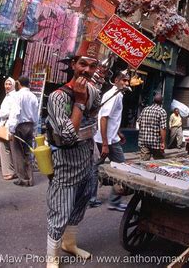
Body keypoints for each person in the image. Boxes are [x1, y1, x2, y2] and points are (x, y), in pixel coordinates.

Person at [45, 47, 101, 266]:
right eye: (83, 64)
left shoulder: (93, 90)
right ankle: (52, 259)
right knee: (60, 210)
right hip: (66, 165)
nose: (87, 70)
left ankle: (69, 244)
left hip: (87, 160)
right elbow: (68, 136)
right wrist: (79, 101)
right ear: (73, 65)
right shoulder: (58, 97)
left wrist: (88, 99)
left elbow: (95, 111)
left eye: (92, 66)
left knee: (80, 205)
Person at [90, 70, 130, 211]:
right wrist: (106, 143)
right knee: (121, 168)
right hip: (108, 140)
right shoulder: (114, 95)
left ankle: (91, 198)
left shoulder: (115, 94)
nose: (126, 83)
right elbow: (103, 118)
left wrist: (118, 132)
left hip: (108, 137)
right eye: (123, 80)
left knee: (94, 167)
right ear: (116, 80)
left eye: (127, 81)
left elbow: (110, 118)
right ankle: (113, 201)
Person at [8, 76, 39, 187]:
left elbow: (15, 113)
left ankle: (22, 179)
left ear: (19, 83)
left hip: (19, 126)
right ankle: (30, 178)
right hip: (30, 126)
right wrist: (34, 128)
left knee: (17, 153)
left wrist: (11, 130)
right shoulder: (33, 96)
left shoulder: (17, 95)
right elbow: (36, 115)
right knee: (27, 152)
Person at [0, 77, 17, 180]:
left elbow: (11, 111)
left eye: (9, 84)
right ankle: (10, 170)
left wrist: (0, 112)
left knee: (5, 148)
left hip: (7, 125)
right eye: (6, 84)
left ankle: (9, 172)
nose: (7, 86)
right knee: (6, 148)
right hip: (4, 124)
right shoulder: (8, 96)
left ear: (13, 85)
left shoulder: (13, 96)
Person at [138, 94, 168, 161]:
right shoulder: (162, 111)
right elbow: (163, 128)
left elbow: (139, 123)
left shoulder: (145, 109)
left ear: (153, 100)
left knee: (143, 161)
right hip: (156, 142)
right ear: (161, 102)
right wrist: (163, 142)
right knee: (159, 161)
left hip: (144, 140)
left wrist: (143, 133)